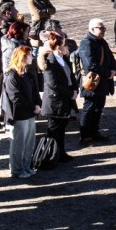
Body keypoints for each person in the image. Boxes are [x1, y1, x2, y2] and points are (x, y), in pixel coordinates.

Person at [76, 18, 116, 146]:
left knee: (98, 108)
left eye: (103, 28)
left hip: (102, 82)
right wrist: (108, 73)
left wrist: (114, 70)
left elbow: (111, 57)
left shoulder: (102, 42)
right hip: (93, 82)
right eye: (101, 28)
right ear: (92, 29)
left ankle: (94, 132)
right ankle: (85, 136)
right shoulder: (86, 43)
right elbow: (91, 64)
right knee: (89, 108)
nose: (103, 30)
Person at [38, 31, 76, 162]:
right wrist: (70, 93)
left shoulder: (63, 59)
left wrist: (74, 89)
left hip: (64, 99)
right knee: (54, 130)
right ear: (58, 47)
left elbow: (70, 76)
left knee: (61, 128)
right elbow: (53, 84)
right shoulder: (50, 61)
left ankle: (60, 153)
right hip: (55, 101)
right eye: (65, 45)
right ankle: (50, 155)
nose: (67, 47)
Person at [2, 46, 39, 178]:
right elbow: (15, 97)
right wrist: (32, 107)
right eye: (30, 55)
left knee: (29, 142)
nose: (32, 57)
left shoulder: (27, 73)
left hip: (29, 114)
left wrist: (37, 104)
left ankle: (26, 166)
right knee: (18, 144)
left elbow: (35, 92)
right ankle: (17, 169)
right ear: (22, 57)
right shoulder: (11, 75)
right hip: (18, 115)